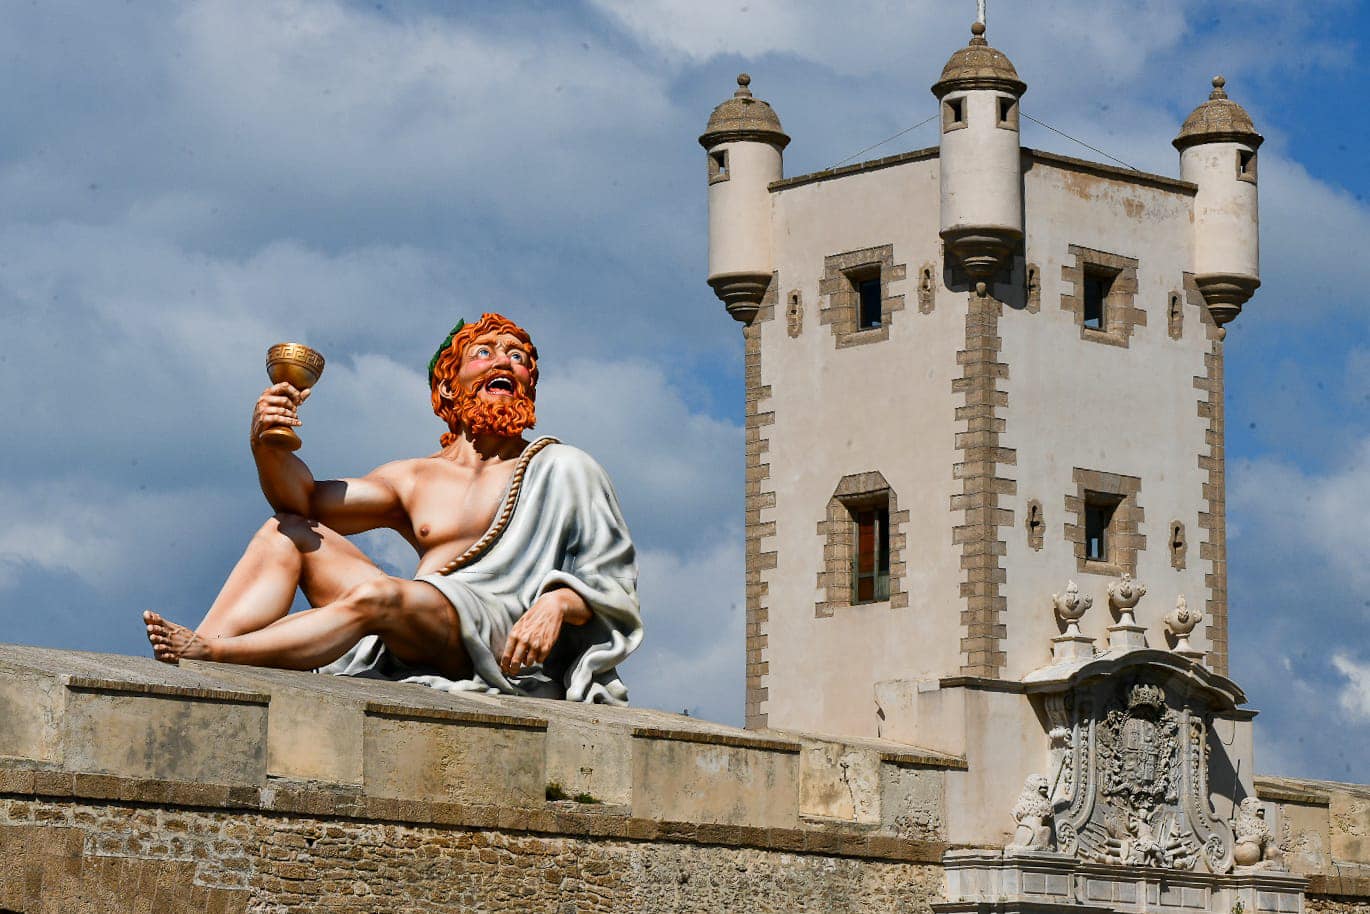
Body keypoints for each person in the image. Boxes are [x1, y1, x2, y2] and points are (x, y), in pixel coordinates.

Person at [142, 313, 642, 704]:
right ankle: (193, 667)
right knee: (286, 531)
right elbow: (302, 501)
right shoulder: (416, 477)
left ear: (528, 385)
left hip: (498, 635)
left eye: (518, 358)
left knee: (381, 596)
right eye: (485, 352)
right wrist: (268, 445)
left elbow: (612, 585)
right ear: (448, 387)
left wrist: (556, 604)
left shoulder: (565, 467)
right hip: (419, 624)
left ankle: (219, 653)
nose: (505, 362)